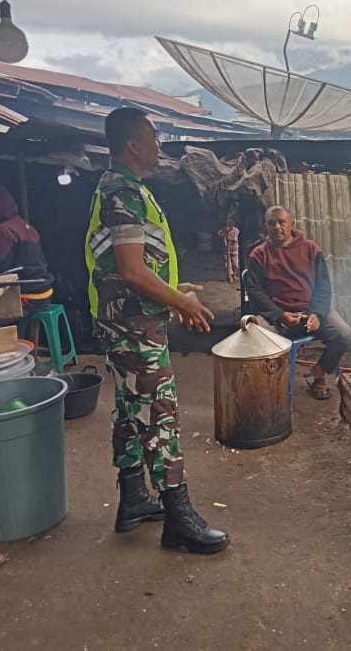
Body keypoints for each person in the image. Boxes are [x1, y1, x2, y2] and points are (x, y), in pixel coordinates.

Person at [85, 106, 229, 555]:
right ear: (133, 143)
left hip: (125, 316)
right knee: (159, 413)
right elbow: (130, 269)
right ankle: (179, 517)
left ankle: (132, 501)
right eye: (153, 134)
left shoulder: (124, 188)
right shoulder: (123, 191)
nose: (159, 143)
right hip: (132, 323)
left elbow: (131, 263)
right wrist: (179, 299)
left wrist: (169, 289)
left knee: (131, 408)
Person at [245, 205, 351, 400]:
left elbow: (323, 286)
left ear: (291, 224)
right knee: (256, 337)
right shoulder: (258, 255)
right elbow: (255, 292)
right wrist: (280, 315)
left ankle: (319, 373)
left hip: (310, 311)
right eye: (271, 223)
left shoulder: (311, 249)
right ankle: (272, 389)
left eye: (281, 222)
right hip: (277, 316)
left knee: (343, 334)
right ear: (266, 228)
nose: (277, 227)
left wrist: (317, 314)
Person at [0, 183, 54, 313]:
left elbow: (0, 269)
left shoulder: (4, 230)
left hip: (29, 297)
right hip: (45, 290)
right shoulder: (25, 225)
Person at [218, 215, 240, 284]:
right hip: (226, 250)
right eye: (228, 224)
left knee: (235, 264)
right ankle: (229, 276)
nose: (229, 226)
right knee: (228, 264)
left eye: (231, 224)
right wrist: (224, 231)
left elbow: (235, 239)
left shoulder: (236, 230)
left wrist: (230, 238)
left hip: (234, 249)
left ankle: (233, 274)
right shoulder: (224, 229)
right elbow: (219, 234)